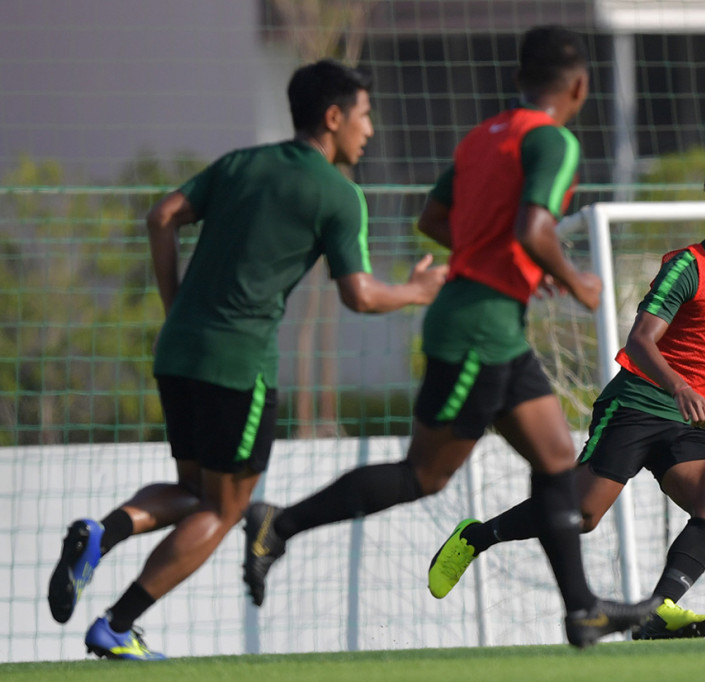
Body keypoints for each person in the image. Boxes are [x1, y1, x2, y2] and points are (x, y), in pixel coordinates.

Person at [241, 25, 658, 649]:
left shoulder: (483, 137)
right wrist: (574, 279)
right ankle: (280, 523)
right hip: (475, 334)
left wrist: (508, 259)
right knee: (424, 476)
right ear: (579, 85)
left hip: (493, 328)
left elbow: (435, 219)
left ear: (520, 80)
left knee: (555, 460)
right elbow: (536, 227)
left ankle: (583, 611)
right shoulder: (554, 141)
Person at [46, 60, 447, 660]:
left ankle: (105, 533)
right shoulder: (338, 193)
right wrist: (417, 291)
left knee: (193, 490)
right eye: (365, 115)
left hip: (178, 351)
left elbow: (161, 216)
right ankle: (117, 625)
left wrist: (175, 304)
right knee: (227, 507)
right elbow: (359, 295)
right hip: (239, 368)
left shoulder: (240, 163)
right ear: (334, 117)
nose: (370, 129)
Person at [427, 160, 705, 640]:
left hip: (683, 422)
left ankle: (656, 610)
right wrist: (679, 385)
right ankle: (476, 537)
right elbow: (640, 340)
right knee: (582, 517)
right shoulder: (686, 266)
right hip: (637, 404)